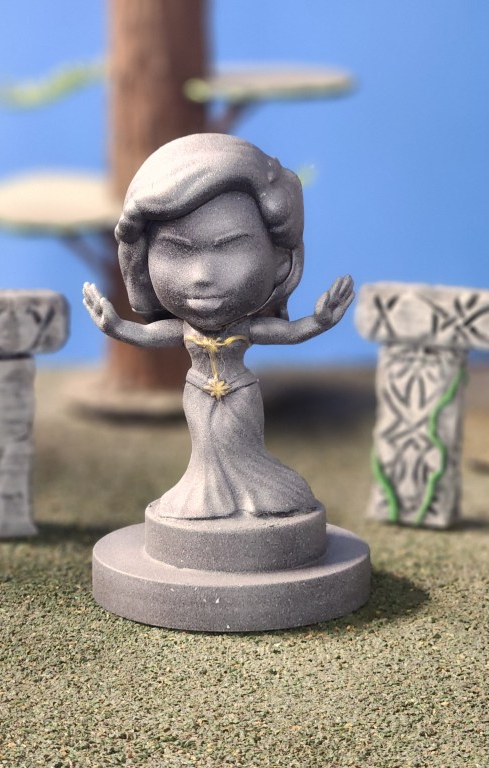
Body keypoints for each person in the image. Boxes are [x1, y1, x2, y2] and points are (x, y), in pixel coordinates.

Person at [83, 133, 353, 520]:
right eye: (177, 250)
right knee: (206, 453)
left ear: (280, 260)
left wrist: (320, 321)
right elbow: (148, 334)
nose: (202, 276)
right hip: (197, 393)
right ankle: (205, 497)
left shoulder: (245, 327)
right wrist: (114, 326)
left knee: (245, 450)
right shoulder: (185, 329)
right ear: (141, 259)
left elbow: (289, 333)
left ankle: (255, 495)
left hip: (241, 392)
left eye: (229, 247)